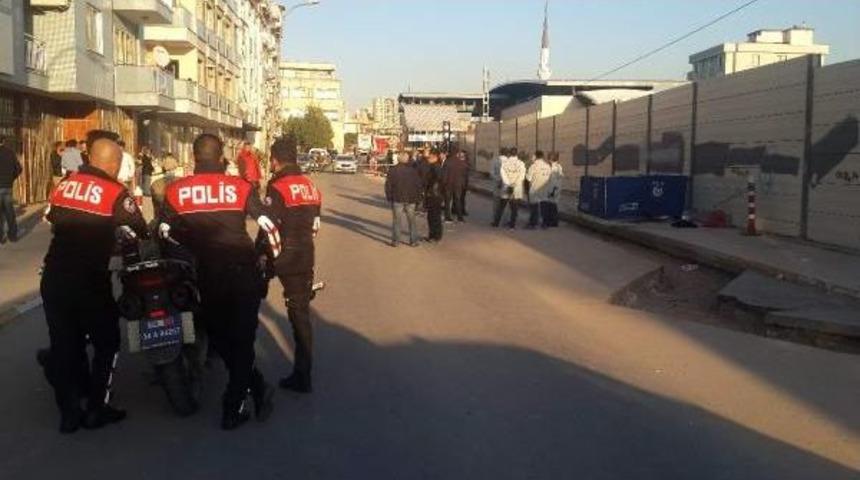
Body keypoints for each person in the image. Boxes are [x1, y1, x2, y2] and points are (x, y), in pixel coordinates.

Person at [159, 133, 280, 430]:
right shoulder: (239, 187)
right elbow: (270, 225)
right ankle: (234, 406)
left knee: (220, 338)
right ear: (223, 157)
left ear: (194, 156)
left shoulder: (176, 191)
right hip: (242, 274)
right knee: (242, 342)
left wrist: (187, 249)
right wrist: (267, 261)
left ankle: (255, 386)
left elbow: (163, 232)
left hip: (204, 278)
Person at [40, 130, 149, 433]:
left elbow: (51, 218)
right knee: (107, 343)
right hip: (89, 282)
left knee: (64, 346)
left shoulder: (67, 183)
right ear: (114, 165)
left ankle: (69, 415)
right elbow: (140, 228)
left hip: (54, 278)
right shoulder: (115, 192)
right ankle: (97, 408)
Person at [257, 136, 321, 393]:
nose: (270, 165)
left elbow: (268, 226)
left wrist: (263, 256)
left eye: (271, 160)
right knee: (300, 315)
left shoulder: (278, 186)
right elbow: (316, 225)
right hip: (305, 253)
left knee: (249, 301)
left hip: (281, 253)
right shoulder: (310, 186)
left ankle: (240, 365)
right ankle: (303, 373)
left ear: (276, 160)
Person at [385, 152, 423, 247]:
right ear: (407, 160)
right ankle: (413, 241)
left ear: (398, 159)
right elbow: (418, 185)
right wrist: (418, 198)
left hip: (397, 198)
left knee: (397, 221)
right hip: (411, 199)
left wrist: (389, 197)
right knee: (412, 221)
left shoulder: (393, 170)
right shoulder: (413, 171)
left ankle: (396, 241)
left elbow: (388, 185)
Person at [492, 148, 526, 229]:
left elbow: (503, 175)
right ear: (516, 154)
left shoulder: (505, 163)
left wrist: (508, 184)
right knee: (514, 208)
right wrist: (514, 184)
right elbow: (522, 176)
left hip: (506, 187)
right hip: (516, 189)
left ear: (509, 154)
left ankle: (496, 223)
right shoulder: (521, 163)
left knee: (501, 206)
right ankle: (512, 225)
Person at [0, 136, 22, 243]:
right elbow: (19, 169)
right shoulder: (10, 152)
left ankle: (1, 237)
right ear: (3, 141)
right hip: (8, 186)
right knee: (10, 212)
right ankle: (13, 236)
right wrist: (11, 178)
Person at [525, 150, 552, 229]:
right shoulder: (547, 166)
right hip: (544, 189)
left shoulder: (533, 166)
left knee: (534, 207)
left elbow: (528, 178)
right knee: (544, 206)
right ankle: (545, 224)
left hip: (535, 189)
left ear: (536, 156)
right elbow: (550, 178)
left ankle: (533, 224)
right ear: (542, 156)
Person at [423, 149, 444, 242]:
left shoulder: (436, 167)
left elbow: (438, 181)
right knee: (431, 216)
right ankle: (432, 234)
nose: (428, 158)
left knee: (434, 216)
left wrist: (431, 190)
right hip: (433, 194)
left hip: (434, 195)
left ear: (434, 157)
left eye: (429, 157)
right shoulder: (432, 166)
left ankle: (436, 235)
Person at [442, 149, 469, 222]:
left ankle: (448, 217)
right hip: (458, 185)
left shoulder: (447, 163)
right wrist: (463, 184)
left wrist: (443, 184)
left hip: (449, 185)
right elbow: (464, 175)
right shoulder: (462, 163)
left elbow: (444, 175)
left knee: (447, 201)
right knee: (458, 200)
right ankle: (460, 217)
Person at [542, 151, 564, 227]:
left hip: (554, 189)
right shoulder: (550, 166)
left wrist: (554, 191)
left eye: (549, 158)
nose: (548, 159)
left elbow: (557, 181)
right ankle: (550, 221)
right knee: (550, 205)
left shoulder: (557, 167)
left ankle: (553, 222)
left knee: (552, 205)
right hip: (550, 189)